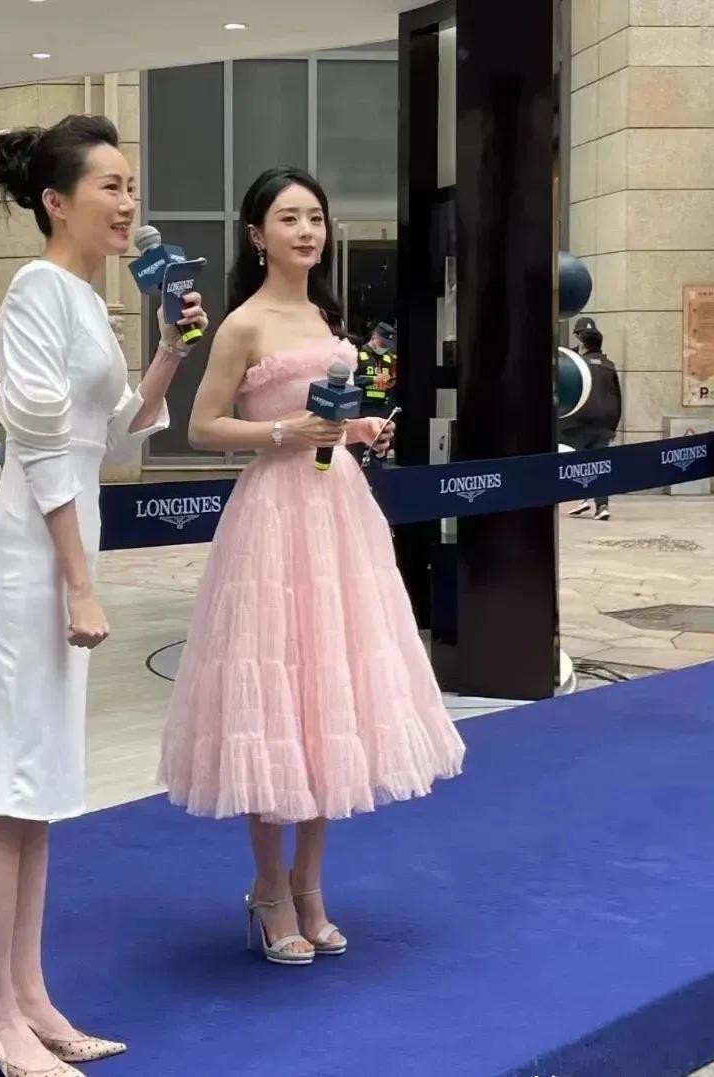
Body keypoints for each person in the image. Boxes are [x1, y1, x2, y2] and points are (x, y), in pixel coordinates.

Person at [158, 166, 465, 966]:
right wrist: (283, 433)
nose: (305, 230)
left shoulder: (327, 317)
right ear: (256, 235)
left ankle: (310, 882)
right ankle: (269, 887)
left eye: (315, 217)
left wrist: (358, 429)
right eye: (288, 218)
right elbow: (202, 426)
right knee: (273, 691)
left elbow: (331, 414)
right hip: (273, 514)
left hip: (338, 509)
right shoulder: (243, 324)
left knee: (330, 688)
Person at [0, 115, 208, 1077]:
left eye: (130, 184)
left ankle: (28, 996)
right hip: (32, 554)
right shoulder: (36, 289)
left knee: (39, 786)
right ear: (54, 202)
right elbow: (37, 446)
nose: (127, 202)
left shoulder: (86, 302)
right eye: (109, 185)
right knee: (7, 783)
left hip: (65, 546)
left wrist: (170, 350)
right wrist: (76, 581)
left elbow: (109, 436)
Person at [562, 326, 621, 521]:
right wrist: (614, 425)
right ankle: (601, 505)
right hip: (605, 422)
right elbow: (618, 397)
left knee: (579, 462)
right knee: (600, 464)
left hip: (580, 422)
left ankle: (584, 497)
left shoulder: (578, 366)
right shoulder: (609, 365)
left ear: (583, 345)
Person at [354, 321, 397, 418]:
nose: (385, 347)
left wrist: (391, 383)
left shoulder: (389, 358)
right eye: (382, 343)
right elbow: (350, 381)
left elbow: (392, 378)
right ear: (374, 336)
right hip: (361, 407)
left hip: (382, 408)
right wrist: (372, 380)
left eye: (388, 345)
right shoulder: (357, 354)